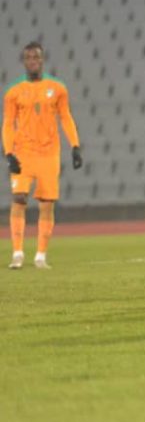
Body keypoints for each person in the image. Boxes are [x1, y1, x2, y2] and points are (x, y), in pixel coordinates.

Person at [4, 42, 82, 270]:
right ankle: (17, 253)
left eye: (36, 57)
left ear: (42, 59)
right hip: (24, 152)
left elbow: (66, 117)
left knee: (46, 204)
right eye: (29, 57)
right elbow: (8, 123)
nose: (33, 61)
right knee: (19, 198)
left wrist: (75, 146)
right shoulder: (14, 91)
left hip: (49, 154)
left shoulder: (57, 88)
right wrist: (9, 152)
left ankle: (40, 256)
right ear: (24, 61)